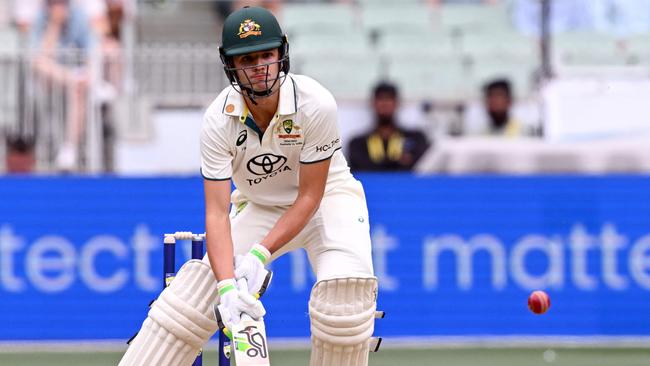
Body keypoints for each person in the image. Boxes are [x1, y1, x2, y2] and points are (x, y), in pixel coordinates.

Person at [120, 6, 378, 366]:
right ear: (230, 65)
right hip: (259, 205)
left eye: (266, 55)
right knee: (190, 300)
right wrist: (226, 287)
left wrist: (259, 254)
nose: (259, 67)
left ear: (281, 54)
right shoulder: (217, 120)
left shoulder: (315, 103)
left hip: (328, 201)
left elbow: (309, 196)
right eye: (246, 59)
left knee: (344, 302)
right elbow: (216, 212)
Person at [30, 0, 96, 171]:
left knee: (78, 88)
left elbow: (91, 49)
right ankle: (72, 78)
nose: (58, 7)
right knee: (40, 63)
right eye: (53, 3)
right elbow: (40, 56)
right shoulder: (40, 17)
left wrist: (89, 72)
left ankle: (69, 147)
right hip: (47, 80)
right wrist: (54, 25)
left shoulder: (78, 15)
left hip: (75, 82)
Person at [347, 82, 430, 171]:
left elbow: (420, 168)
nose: (385, 104)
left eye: (389, 99)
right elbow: (362, 168)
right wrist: (399, 161)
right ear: (373, 104)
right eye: (380, 99)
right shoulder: (358, 143)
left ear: (397, 103)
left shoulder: (415, 138)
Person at [463, 78, 531, 137]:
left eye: (498, 96)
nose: (494, 101)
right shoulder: (478, 131)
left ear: (509, 101)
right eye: (490, 96)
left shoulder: (523, 131)